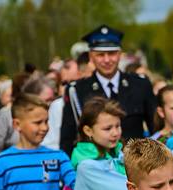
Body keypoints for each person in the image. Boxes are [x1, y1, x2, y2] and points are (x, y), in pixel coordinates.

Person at [59, 25, 155, 155]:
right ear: (91, 56)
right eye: (100, 55)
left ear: (120, 54)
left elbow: (154, 129)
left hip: (136, 165)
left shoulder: (140, 85)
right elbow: (67, 139)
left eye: (112, 53)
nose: (107, 60)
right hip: (96, 166)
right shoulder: (77, 90)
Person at [0, 76, 57, 173]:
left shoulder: (54, 112)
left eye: (52, 100)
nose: (50, 104)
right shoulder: (7, 115)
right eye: (46, 100)